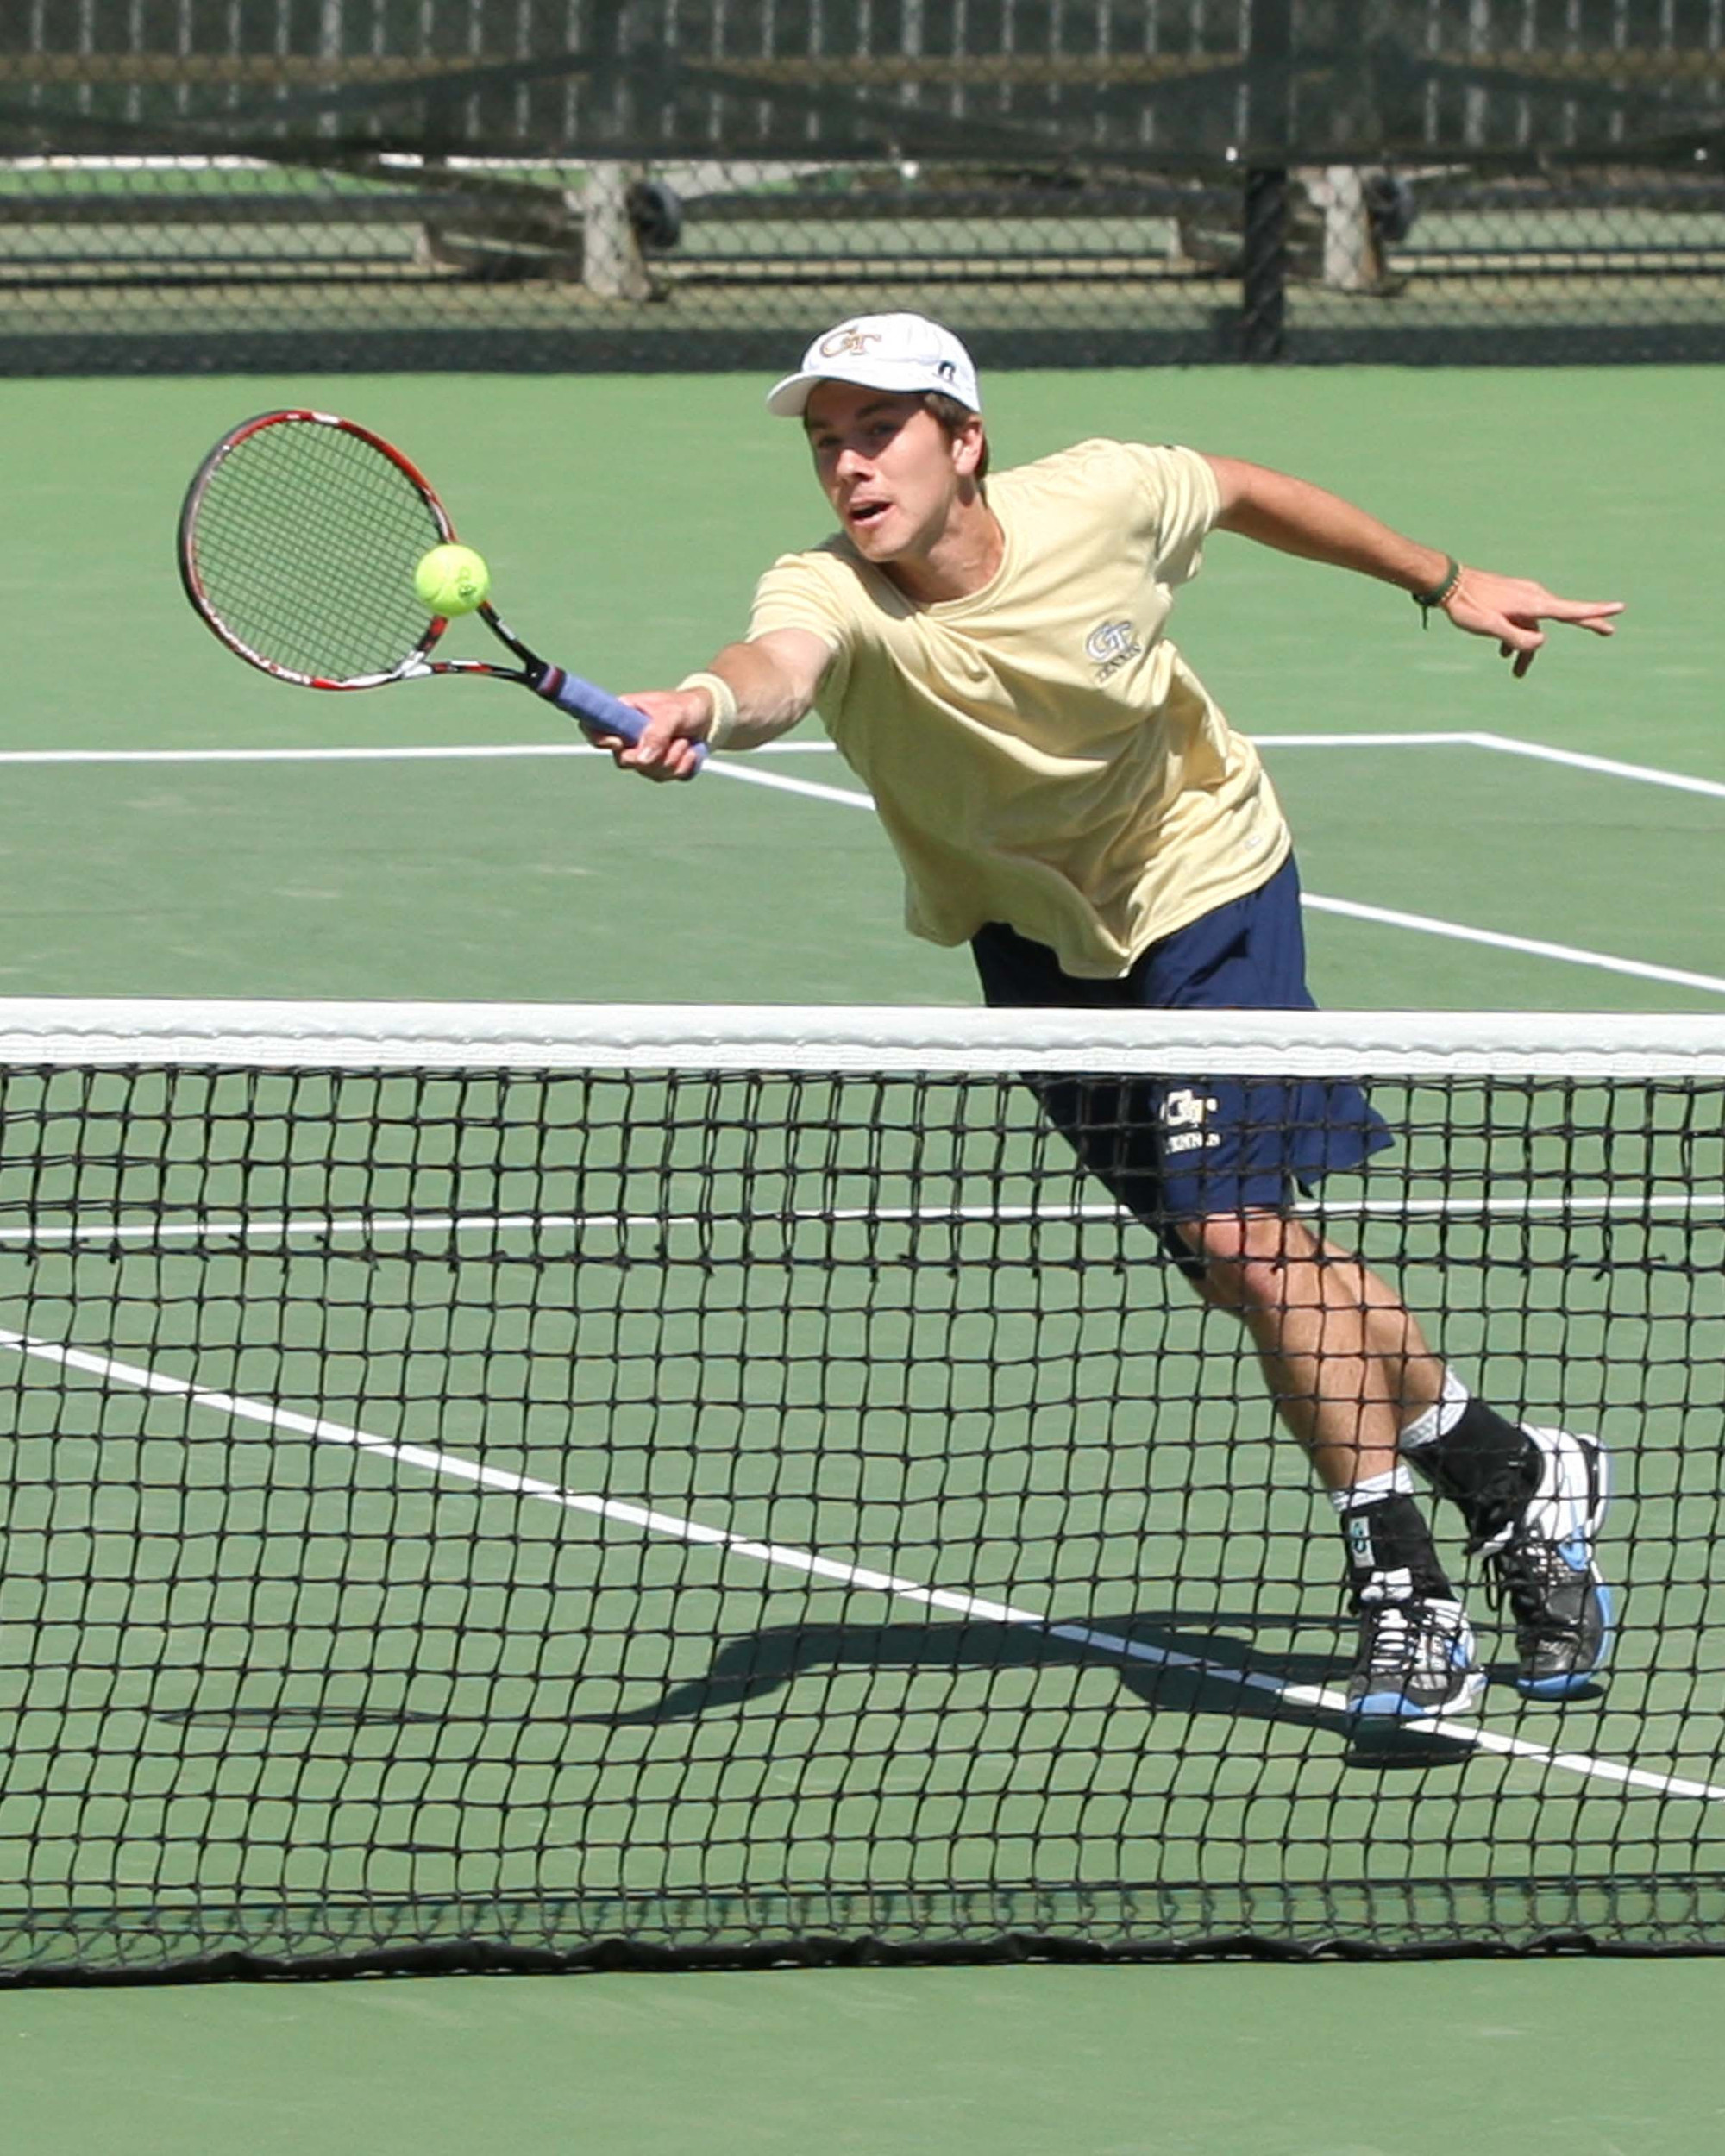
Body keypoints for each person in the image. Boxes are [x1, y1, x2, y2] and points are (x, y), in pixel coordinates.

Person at [590, 311, 1624, 1723]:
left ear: (965, 443)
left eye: (877, 431)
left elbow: (1248, 489)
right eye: (827, 441)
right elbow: (772, 666)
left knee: (1242, 1241)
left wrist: (1442, 578)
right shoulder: (828, 590)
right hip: (1037, 947)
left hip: (1207, 877)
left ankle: (1405, 1590)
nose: (848, 465)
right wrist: (701, 700)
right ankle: (1514, 1470)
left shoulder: (1103, 495)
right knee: (1250, 1270)